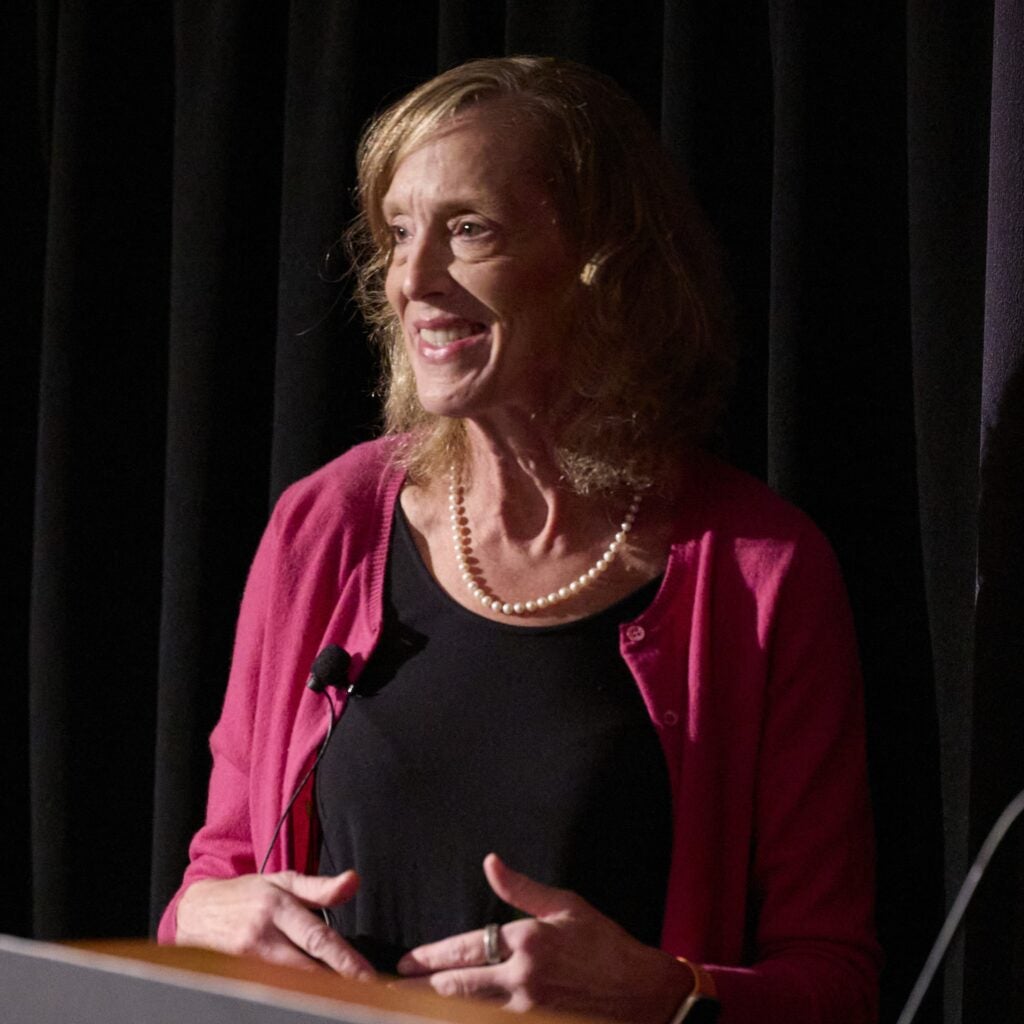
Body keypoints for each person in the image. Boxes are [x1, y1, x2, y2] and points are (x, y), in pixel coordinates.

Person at [159, 56, 880, 1023]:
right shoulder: (323, 525)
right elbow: (216, 876)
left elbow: (834, 980)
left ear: (603, 265)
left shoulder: (761, 575)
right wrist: (201, 917)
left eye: (469, 230)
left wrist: (666, 997)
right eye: (398, 233)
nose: (412, 280)